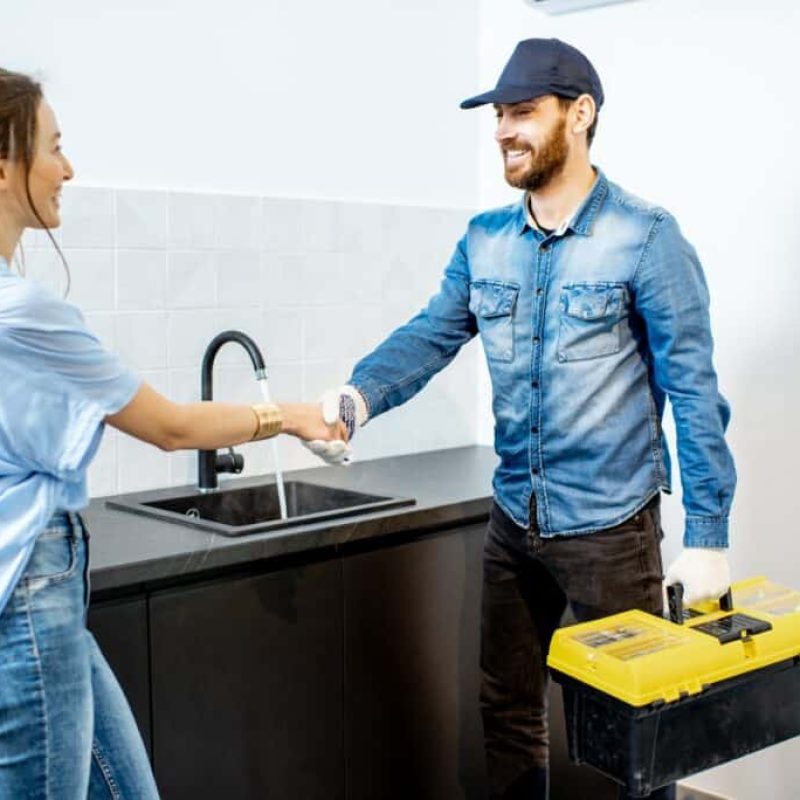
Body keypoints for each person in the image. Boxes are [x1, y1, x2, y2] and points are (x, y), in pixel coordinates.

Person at [309, 39, 736, 800]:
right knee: (507, 711)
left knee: (630, 732)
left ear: (581, 114)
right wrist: (359, 396)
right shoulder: (484, 241)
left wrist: (708, 535)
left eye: (523, 112)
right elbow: (432, 332)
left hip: (611, 530)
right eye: (499, 114)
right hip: (515, 523)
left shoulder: (645, 238)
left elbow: (696, 393)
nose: (505, 129)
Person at [0, 68, 344, 798]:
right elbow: (170, 426)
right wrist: (293, 416)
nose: (69, 168)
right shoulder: (24, 311)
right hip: (30, 592)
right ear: (4, 165)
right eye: (53, 147)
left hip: (37, 590)